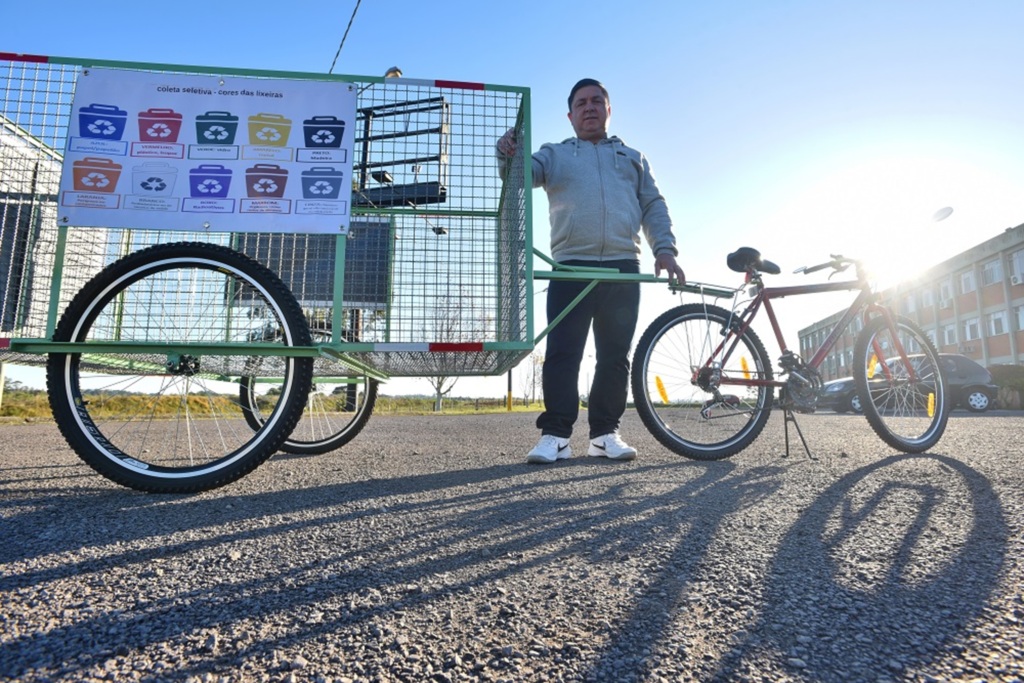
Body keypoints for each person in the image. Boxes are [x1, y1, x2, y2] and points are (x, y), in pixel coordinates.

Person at [496, 78, 686, 464]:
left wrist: (664, 249)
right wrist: (507, 154)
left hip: (623, 266)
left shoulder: (632, 157)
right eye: (581, 103)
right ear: (570, 115)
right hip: (570, 266)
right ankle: (556, 435)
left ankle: (604, 434)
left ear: (608, 110)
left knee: (614, 355)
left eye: (597, 101)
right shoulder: (555, 154)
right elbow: (519, 177)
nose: (589, 107)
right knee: (563, 352)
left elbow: (654, 205)